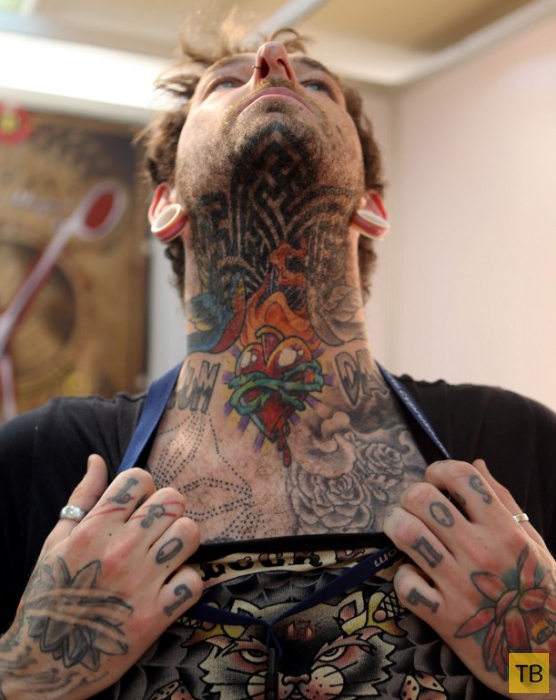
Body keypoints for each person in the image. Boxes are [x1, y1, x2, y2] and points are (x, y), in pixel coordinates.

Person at [1, 20, 555, 700]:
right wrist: (24, 675)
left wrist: (539, 665)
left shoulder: (515, 445)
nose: (273, 62)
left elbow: (542, 681)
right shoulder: (41, 461)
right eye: (224, 83)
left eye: (317, 84)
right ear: (164, 204)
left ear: (372, 208)